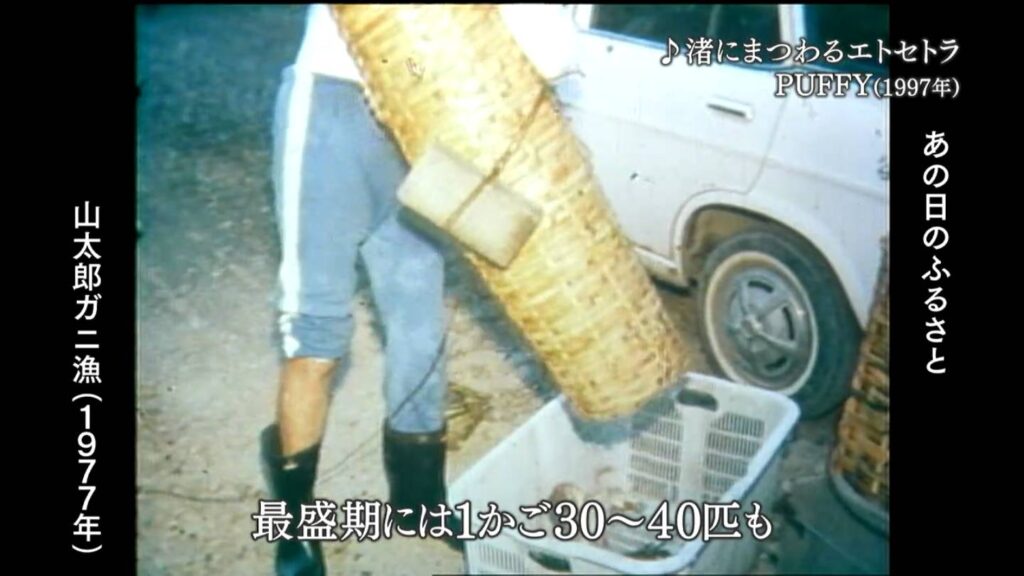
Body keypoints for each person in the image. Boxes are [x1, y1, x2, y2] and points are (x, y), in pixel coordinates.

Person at [259, 5, 578, 575]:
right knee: (316, 338)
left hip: (420, 123)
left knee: (421, 332)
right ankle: (294, 521)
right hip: (331, 111)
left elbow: (554, 53)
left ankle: (418, 499)